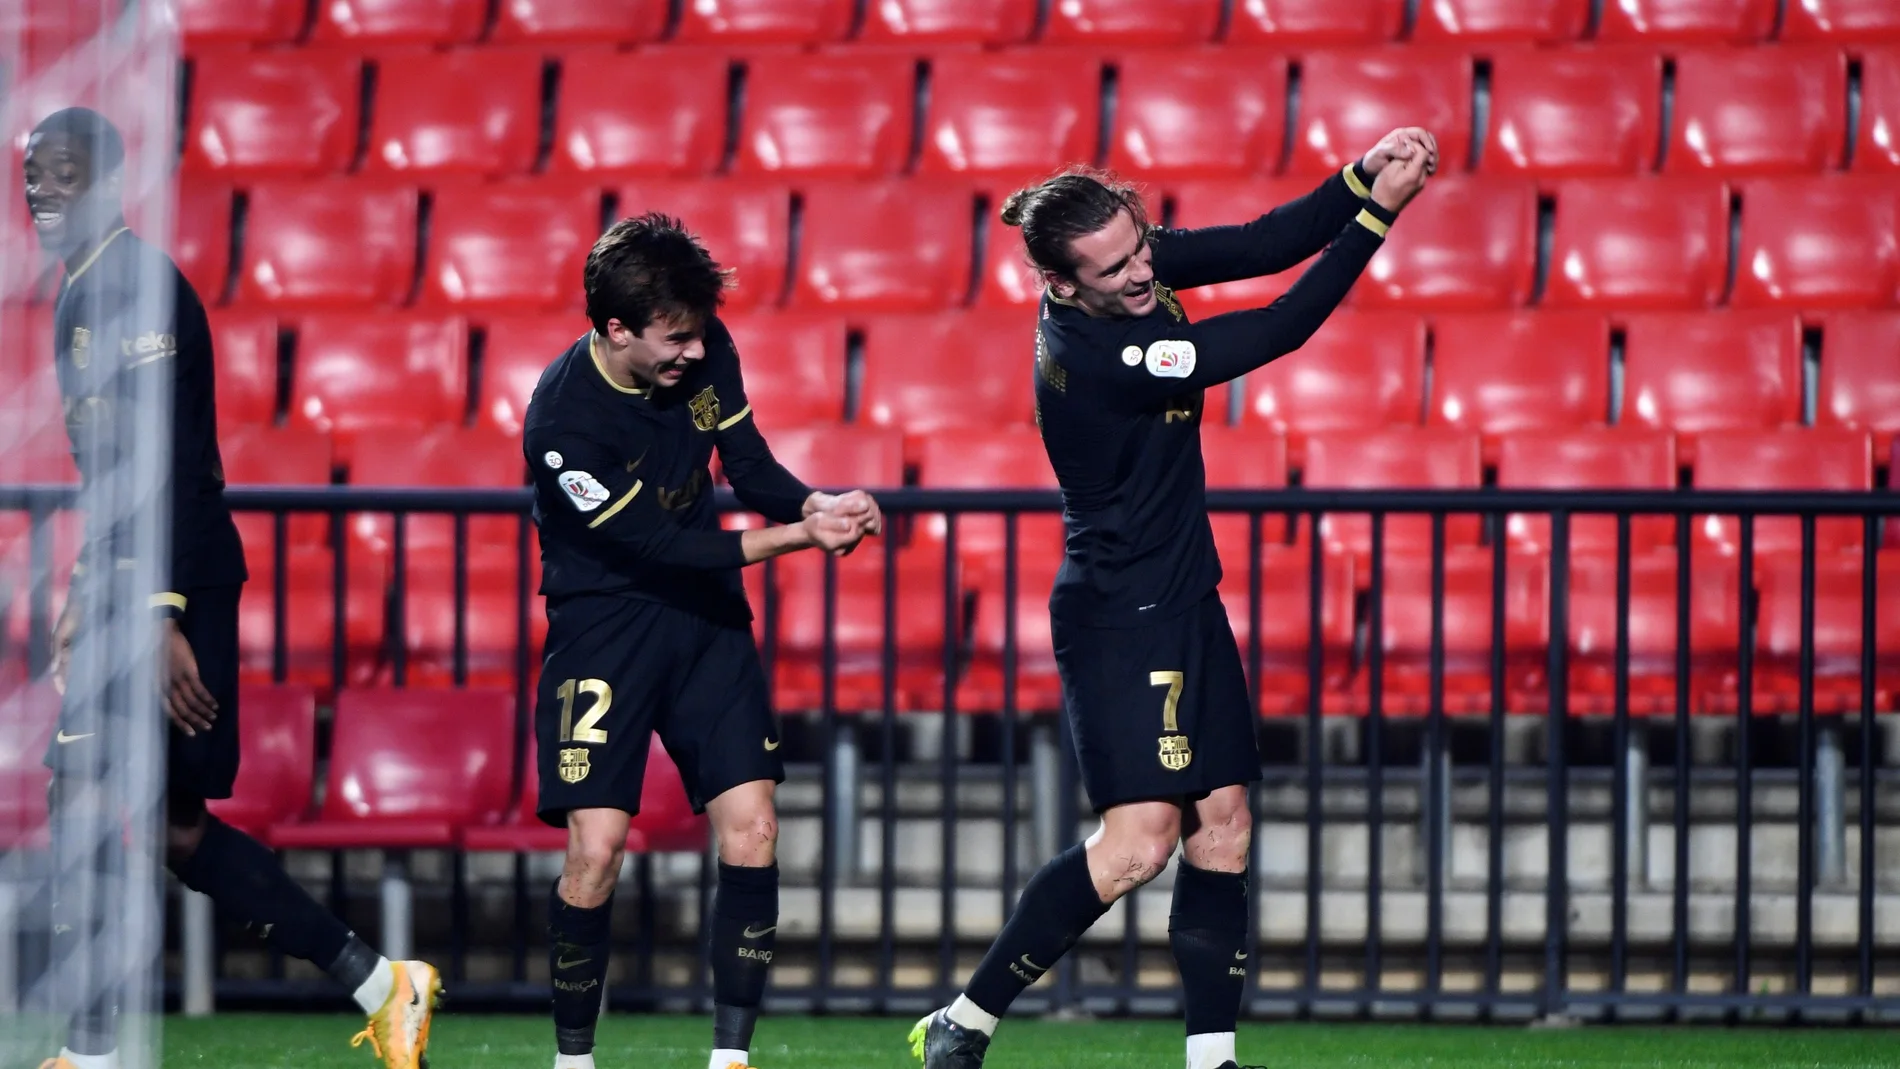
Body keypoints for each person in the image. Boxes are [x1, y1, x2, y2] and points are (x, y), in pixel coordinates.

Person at [910, 130, 1437, 1069]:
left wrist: (1360, 173)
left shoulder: (1129, 270)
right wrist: (1379, 216)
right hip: (1120, 615)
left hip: (1185, 596)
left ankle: (1210, 1058)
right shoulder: (1099, 353)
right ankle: (965, 1017)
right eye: (1115, 265)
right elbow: (1279, 326)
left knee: (1223, 821)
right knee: (1138, 845)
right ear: (1063, 284)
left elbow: (1264, 241)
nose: (1142, 268)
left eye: (1142, 244)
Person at [24, 107, 441, 1069]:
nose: (42, 189)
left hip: (177, 587)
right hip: (139, 584)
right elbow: (113, 470)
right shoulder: (78, 289)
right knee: (167, 826)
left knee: (87, 800)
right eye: (32, 173)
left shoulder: (138, 286)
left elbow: (172, 459)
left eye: (64, 172)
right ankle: (385, 984)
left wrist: (161, 611)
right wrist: (88, 583)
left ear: (112, 181)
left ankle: (93, 1054)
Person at [523, 212, 882, 1069]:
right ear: (615, 328)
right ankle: (575, 1061)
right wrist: (805, 541)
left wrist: (813, 505)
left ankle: (731, 1059)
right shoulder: (562, 422)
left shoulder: (703, 346)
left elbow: (748, 467)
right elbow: (660, 545)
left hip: (706, 621)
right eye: (673, 338)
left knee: (754, 829)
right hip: (605, 625)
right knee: (596, 850)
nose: (692, 351)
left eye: (697, 332)